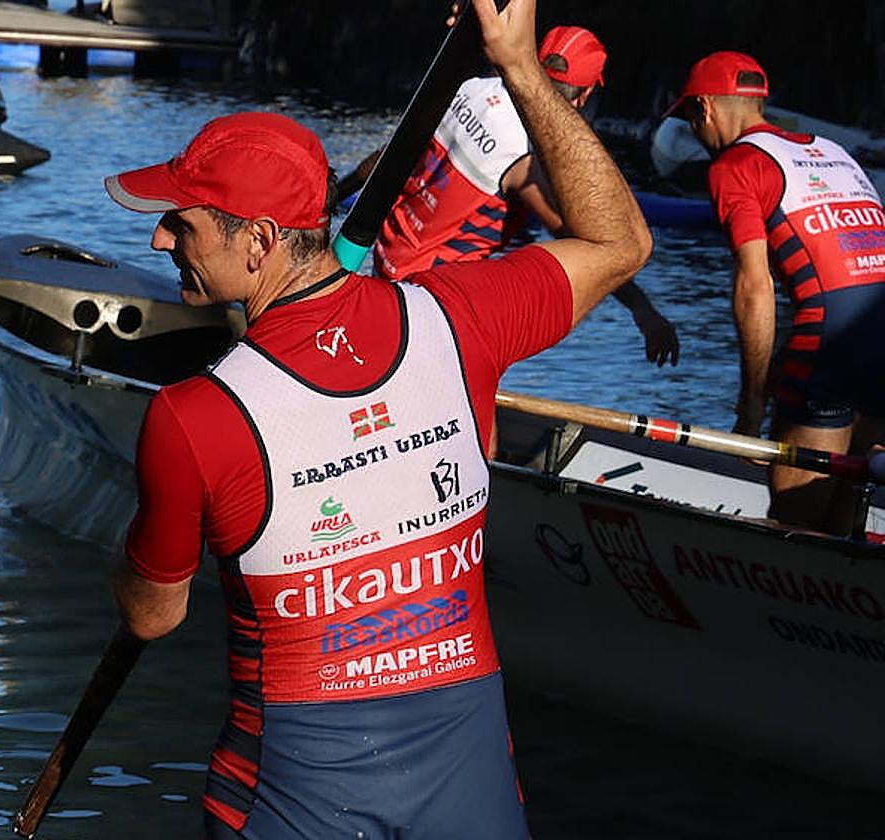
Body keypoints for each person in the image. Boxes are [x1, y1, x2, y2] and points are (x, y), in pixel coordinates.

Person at [102, 0, 651, 836]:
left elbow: (153, 615)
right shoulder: (462, 317)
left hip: (289, 796)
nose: (160, 242)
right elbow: (621, 243)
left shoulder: (192, 417)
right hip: (469, 777)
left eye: (181, 223)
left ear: (257, 243)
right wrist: (522, 69)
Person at [362, 23, 679, 367]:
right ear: (585, 95)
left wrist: (337, 194)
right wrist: (644, 312)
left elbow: (392, 154)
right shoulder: (525, 159)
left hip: (388, 259)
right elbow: (593, 246)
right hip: (432, 293)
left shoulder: (472, 88)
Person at [667, 50, 885, 534]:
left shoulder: (736, 166)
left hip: (834, 334)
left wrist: (752, 403)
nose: (693, 129)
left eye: (687, 115)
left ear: (703, 108)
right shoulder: (835, 151)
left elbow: (754, 287)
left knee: (796, 525)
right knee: (851, 498)